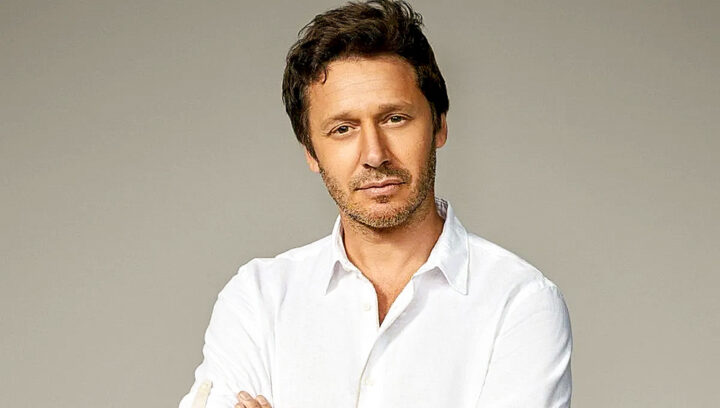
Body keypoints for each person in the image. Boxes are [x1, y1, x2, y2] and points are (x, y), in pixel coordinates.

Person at [178, 1, 572, 407]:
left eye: (394, 119)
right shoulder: (258, 299)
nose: (374, 154)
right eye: (343, 129)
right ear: (311, 151)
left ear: (439, 124)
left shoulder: (520, 302)